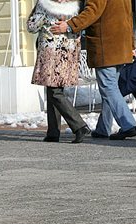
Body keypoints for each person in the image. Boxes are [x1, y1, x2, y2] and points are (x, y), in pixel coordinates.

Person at [51, 0, 136, 140]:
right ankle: (103, 128)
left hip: (106, 45)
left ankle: (128, 125)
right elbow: (129, 16)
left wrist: (69, 25)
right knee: (110, 89)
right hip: (121, 44)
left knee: (108, 88)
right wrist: (131, 44)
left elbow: (92, 12)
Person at [27, 0, 90, 143]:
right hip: (68, 51)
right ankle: (53, 132)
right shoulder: (75, 6)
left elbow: (32, 26)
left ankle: (79, 126)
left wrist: (34, 15)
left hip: (51, 51)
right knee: (53, 89)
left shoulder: (45, 4)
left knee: (55, 91)